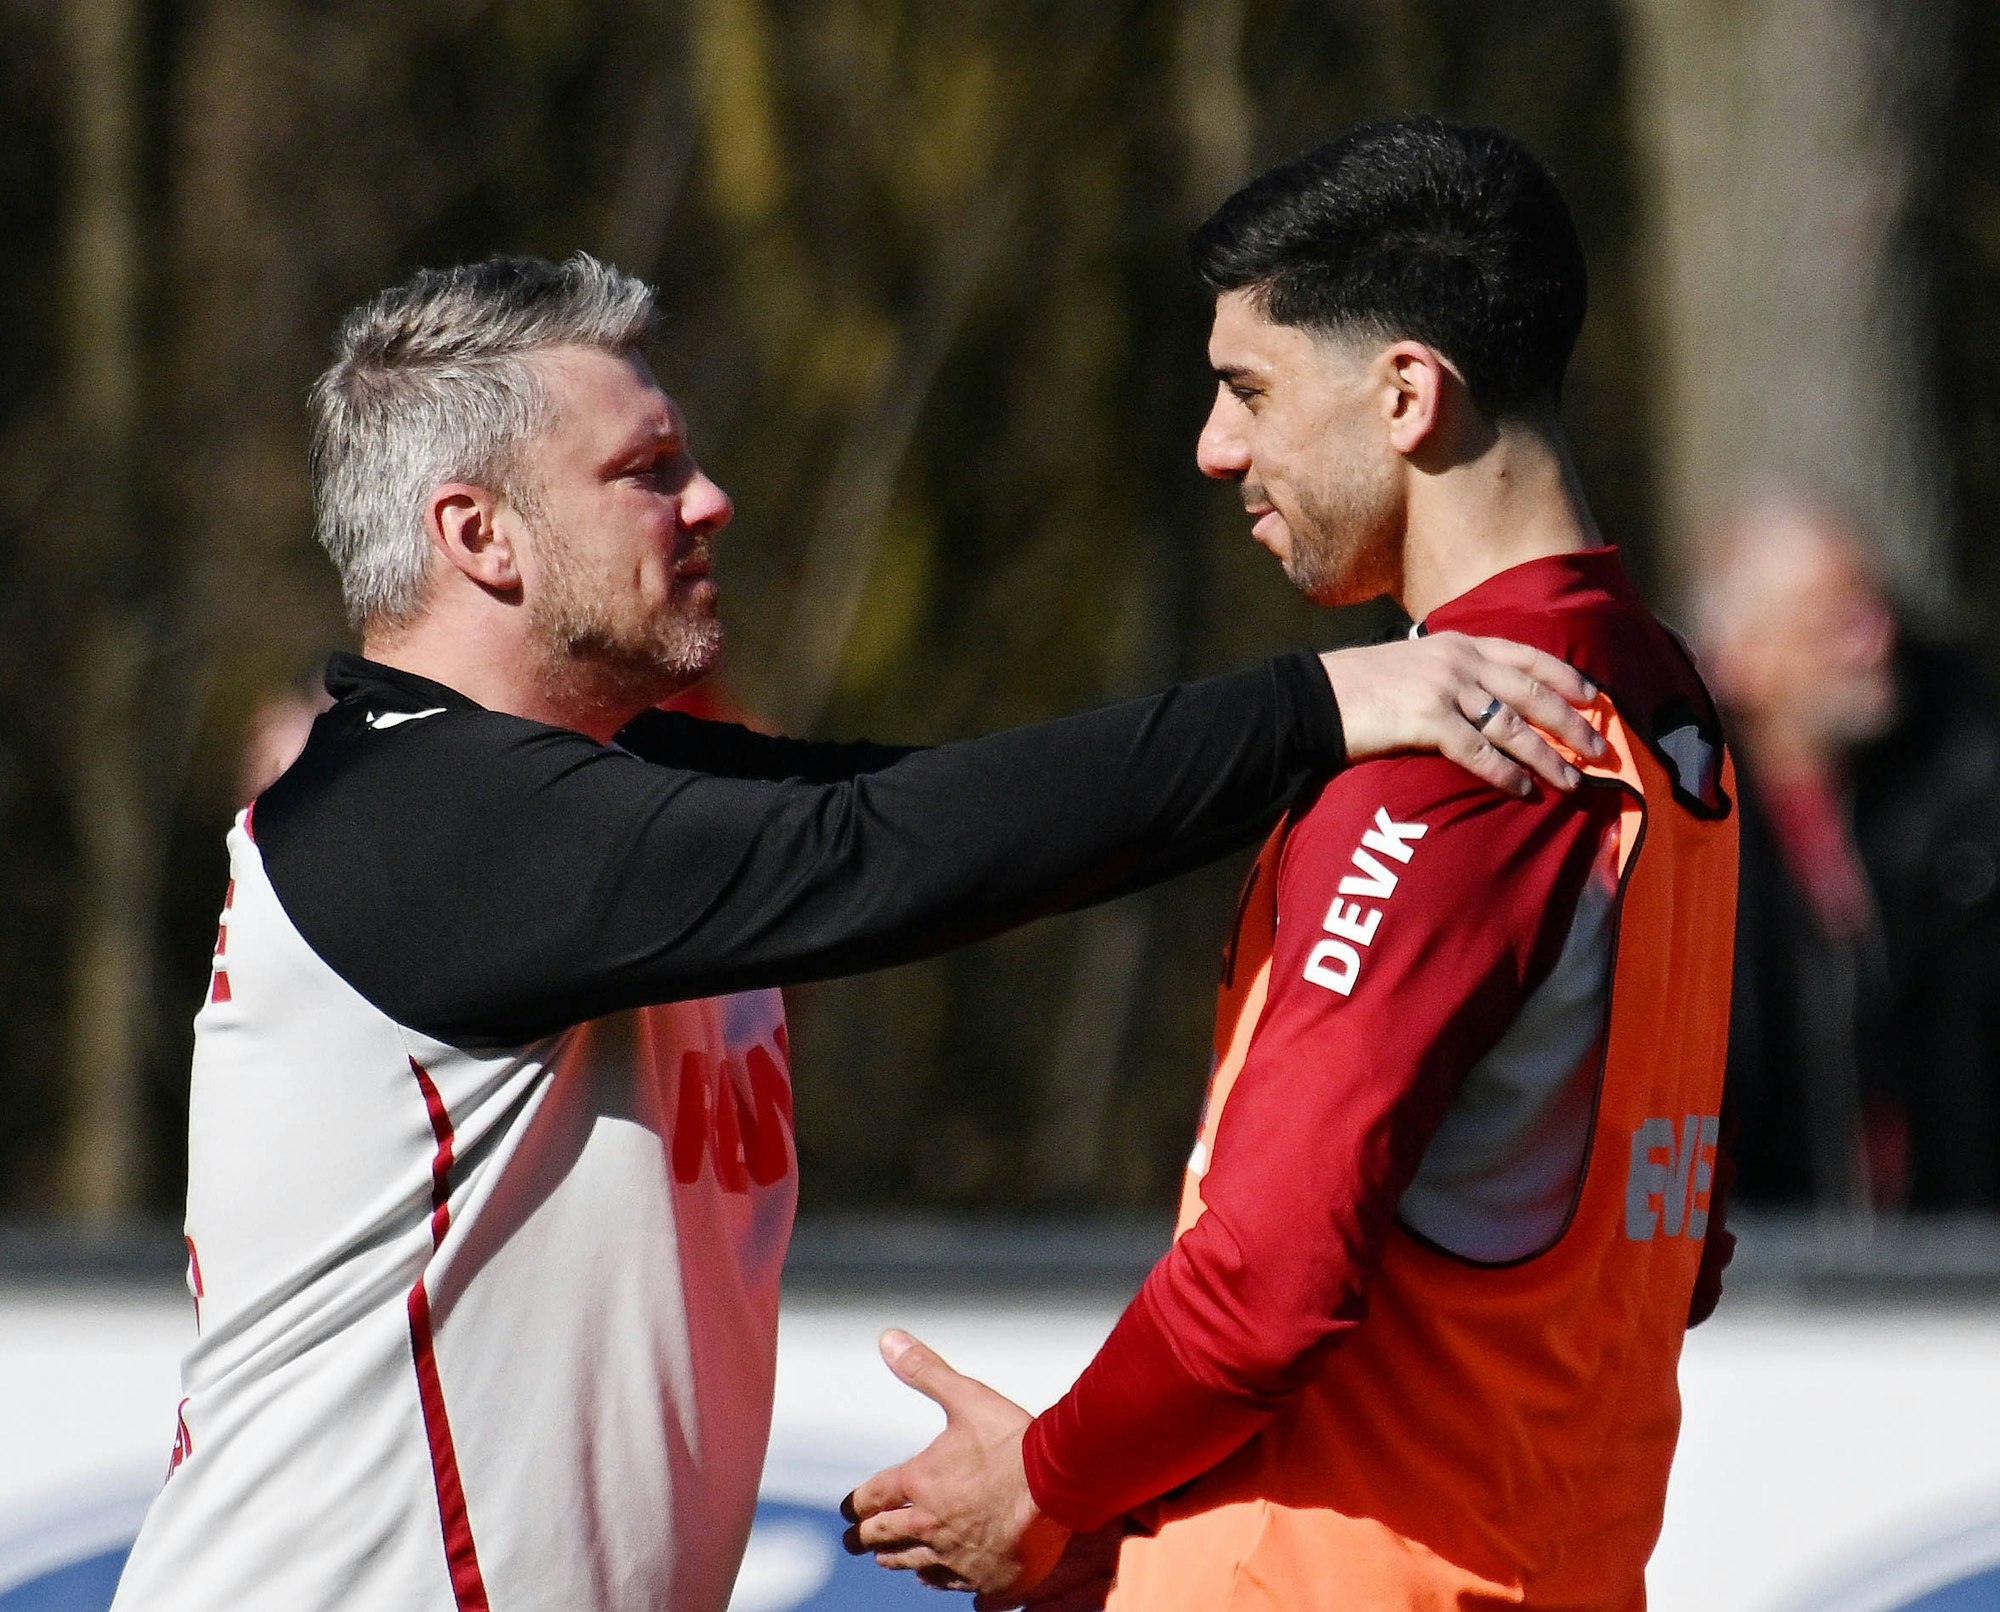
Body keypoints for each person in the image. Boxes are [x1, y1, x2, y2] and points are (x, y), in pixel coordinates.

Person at [108, 253, 1602, 1612]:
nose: (712, 502)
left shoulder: (598, 798)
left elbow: (939, 817)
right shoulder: (416, 812)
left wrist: (1316, 739)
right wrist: (1318, 705)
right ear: (476, 533)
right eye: (648, 470)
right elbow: (881, 851)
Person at [847, 115, 1738, 1611]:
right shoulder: (1668, 717)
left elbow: (1263, 1283)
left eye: (1249, 390)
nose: (1215, 447)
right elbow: (1670, 1244)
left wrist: (1049, 1481)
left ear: (1407, 392)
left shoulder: (1459, 763)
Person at [1696, 488, 2000, 1211]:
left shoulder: (1968, 784)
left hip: (1966, 1273)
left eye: (1875, 606)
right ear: (1742, 660)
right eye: (1832, 622)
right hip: (1761, 1284)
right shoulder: (1675, 837)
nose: (1877, 639)